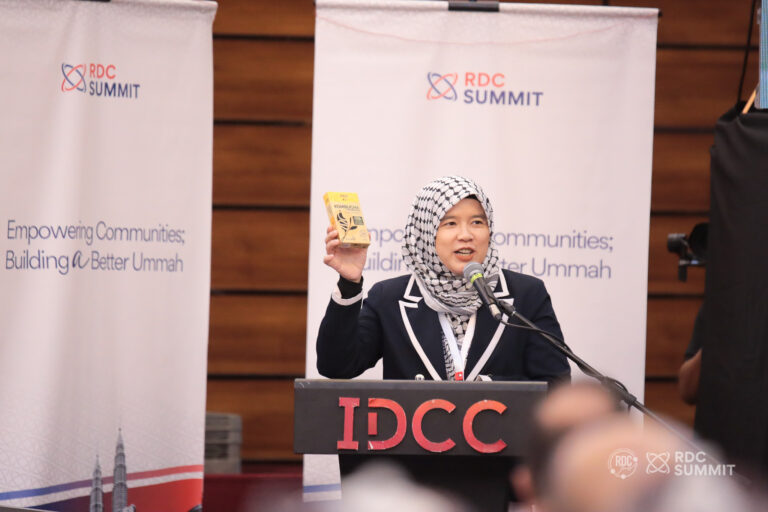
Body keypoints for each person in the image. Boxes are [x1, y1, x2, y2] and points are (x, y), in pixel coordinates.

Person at [316, 175, 570, 382]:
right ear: (426, 233)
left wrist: (491, 389)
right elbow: (337, 367)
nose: (466, 235)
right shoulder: (389, 298)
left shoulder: (526, 294)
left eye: (477, 222)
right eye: (450, 224)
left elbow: (555, 384)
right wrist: (349, 284)